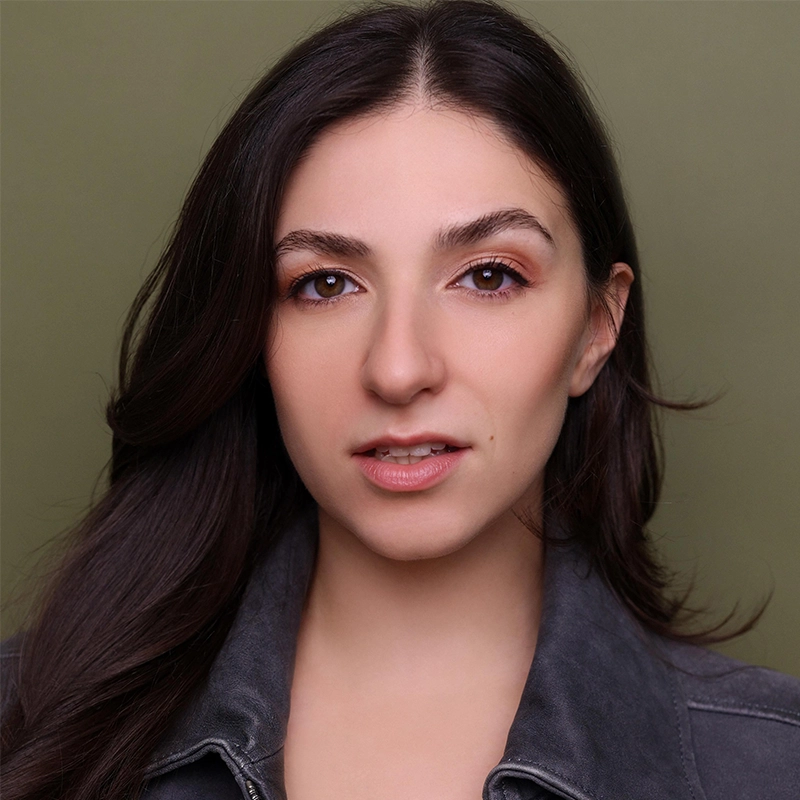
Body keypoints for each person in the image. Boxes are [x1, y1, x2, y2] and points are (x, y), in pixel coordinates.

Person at [2, 2, 798, 799]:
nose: (398, 368)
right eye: (325, 284)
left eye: (489, 275)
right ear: (248, 333)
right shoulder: (26, 729)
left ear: (597, 326)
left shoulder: (769, 768)